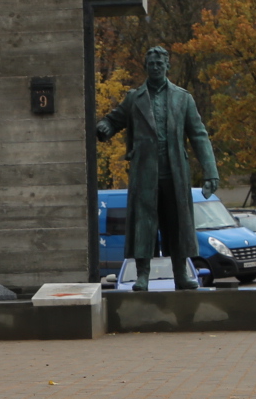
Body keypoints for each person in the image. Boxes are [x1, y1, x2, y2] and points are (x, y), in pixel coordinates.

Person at [94, 46, 220, 291]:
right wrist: (104, 128)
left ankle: (181, 274)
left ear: (167, 66)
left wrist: (210, 171)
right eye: (151, 64)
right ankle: (142, 275)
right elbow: (113, 119)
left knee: (177, 224)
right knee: (144, 223)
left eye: (159, 64)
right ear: (146, 66)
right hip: (144, 172)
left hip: (175, 172)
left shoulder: (182, 98)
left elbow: (199, 135)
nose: (155, 68)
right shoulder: (134, 98)